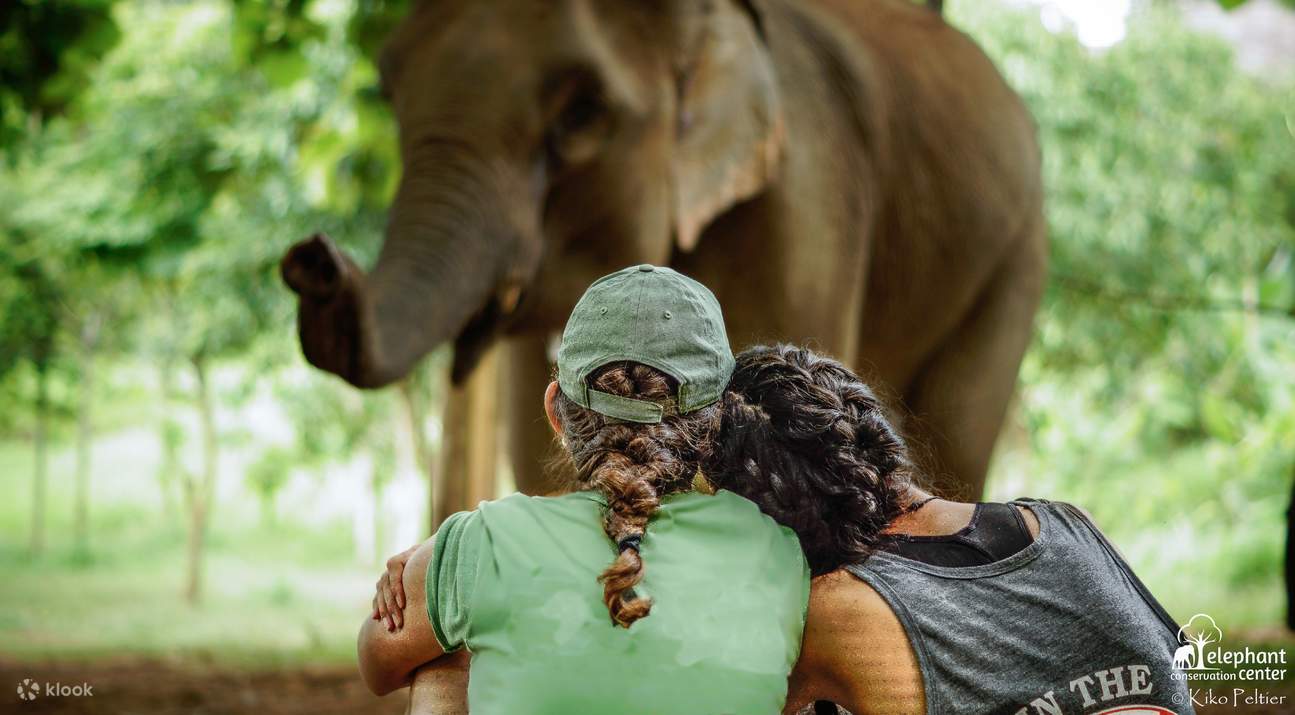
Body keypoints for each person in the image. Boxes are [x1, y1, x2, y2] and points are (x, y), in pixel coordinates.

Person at [377, 343, 1192, 715]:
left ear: (761, 506)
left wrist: (432, 568)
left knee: (453, 667)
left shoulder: (839, 610)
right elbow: (1178, 666)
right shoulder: (1056, 524)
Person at [355, 264, 810, 715]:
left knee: (441, 659)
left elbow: (377, 664)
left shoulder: (487, 539)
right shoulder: (779, 549)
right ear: (720, 423)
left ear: (556, 412)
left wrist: (441, 562)